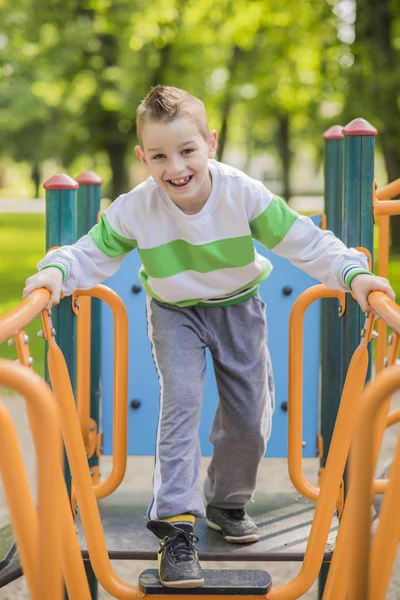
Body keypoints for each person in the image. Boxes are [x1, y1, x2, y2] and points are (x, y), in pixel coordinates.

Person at [23, 86, 395, 589]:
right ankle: (176, 529)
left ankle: (226, 501)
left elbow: (305, 242)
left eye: (187, 151)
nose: (174, 167)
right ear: (142, 157)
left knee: (248, 418)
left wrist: (353, 274)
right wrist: (53, 274)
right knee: (181, 400)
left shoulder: (241, 193)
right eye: (159, 156)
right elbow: (89, 253)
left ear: (211, 143)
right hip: (174, 312)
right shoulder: (138, 207)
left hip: (239, 308)